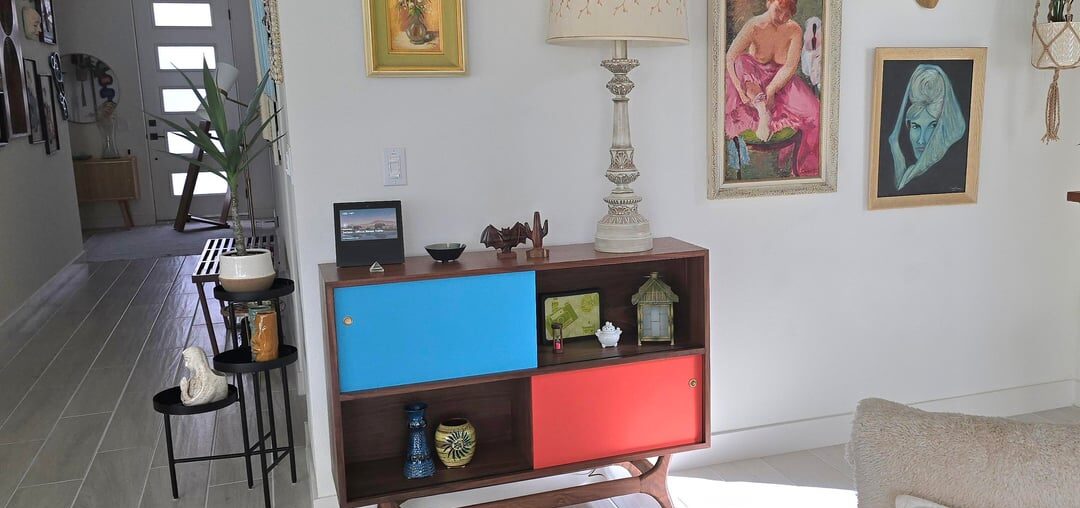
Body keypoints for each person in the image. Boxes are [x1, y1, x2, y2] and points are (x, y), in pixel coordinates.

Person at [725, 0, 821, 177]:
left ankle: (804, 171)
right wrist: (739, 90)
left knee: (815, 112)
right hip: (753, 85)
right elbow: (730, 57)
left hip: (781, 83)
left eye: (787, 14)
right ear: (769, 3)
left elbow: (789, 66)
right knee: (741, 61)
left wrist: (771, 90)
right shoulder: (754, 25)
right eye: (778, 10)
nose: (782, 17)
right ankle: (762, 111)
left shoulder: (794, 30)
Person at [888, 64, 967, 191]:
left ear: (943, 127)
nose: (921, 140)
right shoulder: (913, 172)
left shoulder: (946, 174)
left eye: (932, 126)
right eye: (915, 126)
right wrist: (895, 148)